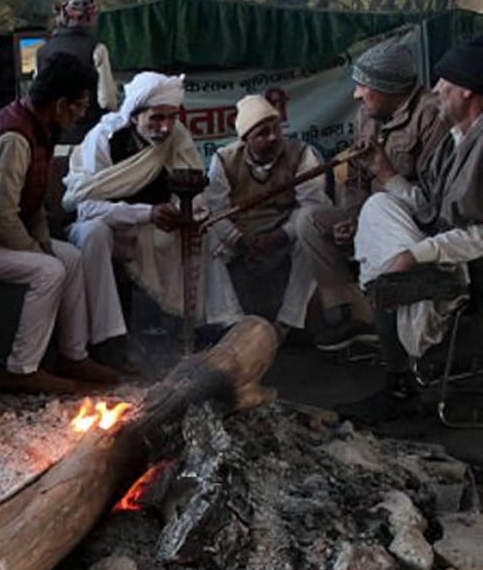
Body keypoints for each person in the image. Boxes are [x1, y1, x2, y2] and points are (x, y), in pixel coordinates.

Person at [342, 35, 483, 423]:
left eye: (444, 82)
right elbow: (434, 208)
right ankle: (404, 368)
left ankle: (402, 388)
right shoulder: (460, 135)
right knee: (379, 207)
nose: (437, 90)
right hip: (467, 254)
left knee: (393, 281)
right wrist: (384, 172)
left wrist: (414, 255)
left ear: (466, 90)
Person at [0, 54, 121, 394]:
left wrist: (45, 244)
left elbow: (30, 202)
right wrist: (39, 253)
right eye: (79, 105)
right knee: (50, 270)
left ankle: (73, 355)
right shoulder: (15, 137)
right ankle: (21, 369)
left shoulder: (37, 127)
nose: (82, 113)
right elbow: (1, 217)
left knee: (71, 258)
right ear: (60, 103)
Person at [61, 72, 243, 357]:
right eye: (156, 118)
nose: (165, 126)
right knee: (93, 233)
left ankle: (216, 324)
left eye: (171, 117)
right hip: (113, 225)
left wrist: (187, 211)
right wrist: (146, 213)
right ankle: (107, 341)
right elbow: (85, 205)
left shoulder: (176, 135)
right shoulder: (104, 138)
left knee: (203, 234)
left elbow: (192, 185)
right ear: (134, 116)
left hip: (156, 225)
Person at [296, 38, 450, 351]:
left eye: (363, 88)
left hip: (411, 225)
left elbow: (433, 202)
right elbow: (354, 180)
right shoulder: (367, 116)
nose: (356, 95)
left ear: (387, 89)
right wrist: (353, 217)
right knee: (309, 220)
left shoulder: (432, 117)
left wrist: (385, 171)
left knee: (381, 207)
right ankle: (358, 314)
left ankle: (397, 326)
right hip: (369, 214)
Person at [200, 94, 339, 339]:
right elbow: (217, 210)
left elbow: (311, 204)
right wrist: (240, 240)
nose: (273, 137)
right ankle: (231, 323)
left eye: (276, 129)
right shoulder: (224, 159)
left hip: (285, 232)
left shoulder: (302, 154)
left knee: (311, 229)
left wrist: (280, 236)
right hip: (243, 237)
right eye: (263, 133)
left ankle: (287, 323)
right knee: (206, 233)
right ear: (246, 140)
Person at [35, 0, 118, 145]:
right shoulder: (97, 48)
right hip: (87, 139)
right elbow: (107, 102)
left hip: (52, 138)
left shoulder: (43, 50)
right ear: (92, 17)